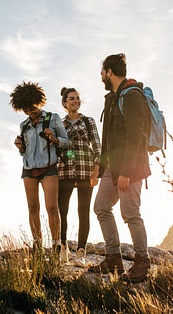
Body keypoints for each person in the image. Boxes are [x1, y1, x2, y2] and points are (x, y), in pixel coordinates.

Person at [87, 53, 152, 283]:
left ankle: (142, 262)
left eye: (102, 71)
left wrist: (126, 171)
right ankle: (113, 258)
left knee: (131, 213)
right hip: (111, 168)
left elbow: (136, 135)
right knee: (101, 207)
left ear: (109, 72)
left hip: (130, 168)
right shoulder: (111, 98)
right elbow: (107, 139)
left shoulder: (132, 95)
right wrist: (100, 167)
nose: (101, 76)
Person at [10, 81, 70, 253]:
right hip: (28, 169)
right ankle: (37, 245)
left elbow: (67, 142)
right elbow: (24, 152)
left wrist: (55, 138)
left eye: (31, 108)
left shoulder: (53, 118)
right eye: (25, 109)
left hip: (49, 167)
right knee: (32, 207)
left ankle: (56, 245)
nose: (29, 112)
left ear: (38, 102)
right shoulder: (24, 125)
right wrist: (20, 147)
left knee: (52, 207)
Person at [57, 87, 101, 266]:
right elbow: (56, 148)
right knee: (62, 211)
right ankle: (63, 248)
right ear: (65, 103)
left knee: (83, 211)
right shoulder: (59, 123)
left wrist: (96, 171)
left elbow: (97, 146)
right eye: (71, 99)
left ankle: (81, 252)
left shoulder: (88, 121)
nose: (75, 101)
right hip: (64, 171)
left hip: (85, 170)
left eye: (77, 98)